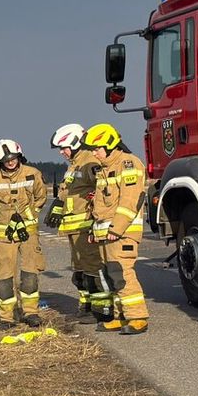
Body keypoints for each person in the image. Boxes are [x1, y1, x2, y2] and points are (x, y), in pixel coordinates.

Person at [83, 123, 149, 334]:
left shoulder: (128, 164)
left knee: (122, 273)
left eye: (97, 148)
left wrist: (116, 229)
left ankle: (137, 317)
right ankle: (120, 317)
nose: (94, 153)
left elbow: (130, 201)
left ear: (110, 145)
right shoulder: (105, 169)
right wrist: (96, 231)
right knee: (111, 275)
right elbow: (101, 207)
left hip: (122, 233)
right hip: (106, 233)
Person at [44, 123, 109, 323]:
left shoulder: (89, 161)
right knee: (80, 271)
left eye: (63, 148)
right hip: (74, 227)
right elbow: (69, 189)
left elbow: (104, 186)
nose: (62, 152)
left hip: (86, 226)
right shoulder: (74, 163)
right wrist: (58, 204)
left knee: (93, 268)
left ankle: (101, 310)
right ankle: (86, 306)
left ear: (74, 142)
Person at [0, 139, 47, 329]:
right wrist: (8, 218)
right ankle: (7, 317)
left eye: (13, 158)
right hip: (4, 236)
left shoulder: (32, 174)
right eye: (6, 160)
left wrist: (27, 215)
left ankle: (31, 313)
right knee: (4, 276)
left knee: (30, 272)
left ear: (19, 156)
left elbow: (40, 197)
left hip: (28, 232)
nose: (11, 162)